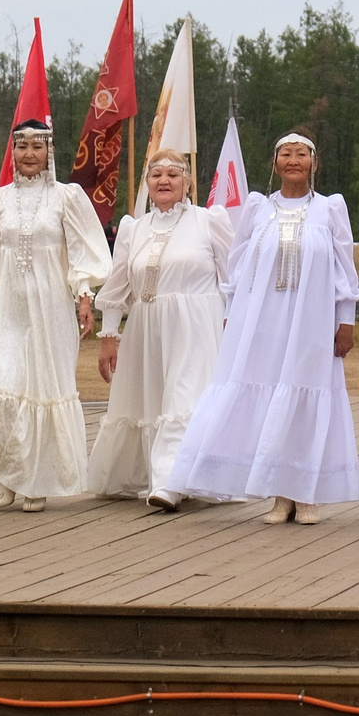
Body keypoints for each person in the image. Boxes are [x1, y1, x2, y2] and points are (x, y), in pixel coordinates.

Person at [172, 132, 359, 522]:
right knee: (269, 394)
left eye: (302, 154)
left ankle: (304, 492)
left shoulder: (329, 210)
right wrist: (231, 314)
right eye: (286, 154)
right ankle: (278, 492)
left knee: (304, 396)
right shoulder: (258, 208)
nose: (294, 160)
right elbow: (237, 266)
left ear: (314, 163)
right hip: (261, 321)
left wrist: (344, 322)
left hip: (311, 320)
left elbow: (344, 270)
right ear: (275, 164)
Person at [0, 119, 111, 512]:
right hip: (11, 307)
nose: (29, 154)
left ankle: (37, 480)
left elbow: (84, 249)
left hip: (50, 307)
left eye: (37, 146)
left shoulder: (66, 197)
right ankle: (10, 475)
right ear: (12, 153)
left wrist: (85, 296)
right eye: (22, 147)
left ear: (49, 152)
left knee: (43, 388)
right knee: (6, 381)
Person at [89, 149, 235, 509]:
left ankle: (172, 480)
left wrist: (233, 325)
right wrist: (109, 337)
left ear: (187, 182)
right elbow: (118, 286)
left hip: (195, 325)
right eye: (157, 175)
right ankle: (146, 473)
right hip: (145, 327)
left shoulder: (208, 221)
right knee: (151, 399)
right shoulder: (133, 228)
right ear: (147, 184)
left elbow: (235, 279)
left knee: (184, 397)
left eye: (173, 174)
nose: (165, 180)